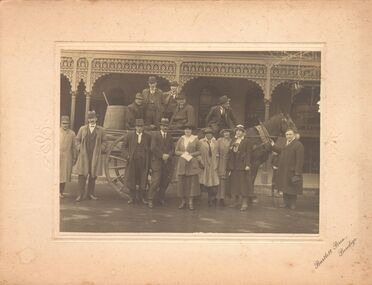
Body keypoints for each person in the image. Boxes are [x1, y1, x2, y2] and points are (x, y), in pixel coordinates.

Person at [75, 111, 107, 201]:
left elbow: (105, 141)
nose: (91, 120)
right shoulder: (82, 129)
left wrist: (101, 149)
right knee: (82, 175)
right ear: (88, 120)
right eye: (90, 118)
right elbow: (77, 140)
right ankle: (80, 195)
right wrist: (79, 148)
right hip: (84, 155)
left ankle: (90, 194)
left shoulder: (101, 130)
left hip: (95, 155)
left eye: (93, 118)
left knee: (93, 175)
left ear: (96, 119)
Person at [271, 129, 304, 210]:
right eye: (287, 134)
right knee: (285, 187)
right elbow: (281, 151)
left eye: (290, 134)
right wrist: (273, 145)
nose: (288, 136)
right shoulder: (286, 144)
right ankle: (286, 203)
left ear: (294, 135)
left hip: (292, 170)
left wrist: (297, 172)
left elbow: (300, 160)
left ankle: (292, 204)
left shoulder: (298, 145)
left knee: (292, 188)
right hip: (284, 170)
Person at [121, 118, 151, 204]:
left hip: (143, 161)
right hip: (133, 161)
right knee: (132, 178)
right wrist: (127, 155)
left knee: (143, 179)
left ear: (143, 127)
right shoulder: (129, 135)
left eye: (141, 126)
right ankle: (131, 197)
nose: (139, 128)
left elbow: (150, 149)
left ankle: (142, 198)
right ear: (135, 127)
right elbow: (123, 147)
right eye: (138, 126)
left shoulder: (148, 136)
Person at [148, 118, 174, 208]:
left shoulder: (169, 136)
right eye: (163, 125)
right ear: (160, 126)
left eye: (166, 126)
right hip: (157, 162)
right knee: (155, 181)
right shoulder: (155, 135)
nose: (165, 127)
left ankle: (160, 198)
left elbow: (172, 149)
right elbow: (153, 147)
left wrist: (168, 155)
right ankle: (150, 199)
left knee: (165, 181)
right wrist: (162, 155)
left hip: (167, 162)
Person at [227, 124, 254, 211]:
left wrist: (247, 164)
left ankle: (244, 203)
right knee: (235, 184)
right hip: (234, 165)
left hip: (242, 166)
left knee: (243, 184)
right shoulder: (233, 140)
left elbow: (249, 153)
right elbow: (230, 152)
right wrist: (232, 148)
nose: (238, 132)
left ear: (243, 133)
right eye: (237, 131)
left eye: (240, 131)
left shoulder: (247, 141)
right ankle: (237, 201)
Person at [175, 125, 201, 210]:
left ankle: (190, 202)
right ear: (184, 130)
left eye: (189, 129)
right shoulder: (181, 139)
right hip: (182, 162)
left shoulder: (195, 139)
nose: (187, 131)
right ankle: (183, 201)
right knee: (182, 182)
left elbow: (199, 151)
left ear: (191, 131)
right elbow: (176, 151)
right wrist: (183, 153)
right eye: (186, 129)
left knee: (192, 183)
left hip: (192, 162)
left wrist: (191, 154)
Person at [198, 127, 220, 206]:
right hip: (204, 163)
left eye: (210, 134)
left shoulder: (215, 142)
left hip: (213, 164)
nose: (208, 135)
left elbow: (217, 153)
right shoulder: (200, 142)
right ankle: (198, 198)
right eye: (207, 134)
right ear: (205, 135)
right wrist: (200, 161)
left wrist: (216, 163)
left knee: (212, 182)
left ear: (212, 134)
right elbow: (198, 152)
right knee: (202, 180)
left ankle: (211, 199)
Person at [60, 115, 77, 198]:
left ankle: (61, 192)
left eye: (67, 123)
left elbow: (74, 147)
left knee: (64, 175)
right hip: (58, 157)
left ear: (69, 124)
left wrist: (74, 158)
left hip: (67, 157)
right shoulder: (56, 132)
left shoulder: (72, 134)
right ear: (61, 123)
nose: (65, 125)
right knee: (56, 174)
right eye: (63, 123)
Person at [216, 129, 233, 206]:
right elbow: (215, 150)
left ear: (230, 134)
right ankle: (218, 196)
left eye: (227, 132)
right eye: (225, 132)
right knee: (219, 179)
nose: (226, 134)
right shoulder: (219, 140)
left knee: (226, 180)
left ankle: (224, 197)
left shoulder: (232, 141)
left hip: (228, 162)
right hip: (219, 161)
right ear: (223, 134)